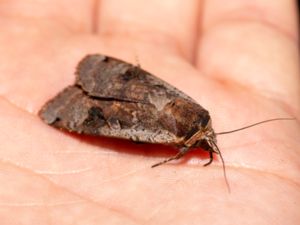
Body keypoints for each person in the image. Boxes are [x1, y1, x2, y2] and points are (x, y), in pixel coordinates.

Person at [0, 1, 299, 224]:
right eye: (205, 138)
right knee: (116, 118)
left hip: (140, 89)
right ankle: (67, 108)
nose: (208, 137)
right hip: (138, 110)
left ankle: (70, 107)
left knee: (132, 100)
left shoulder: (199, 115)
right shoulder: (187, 129)